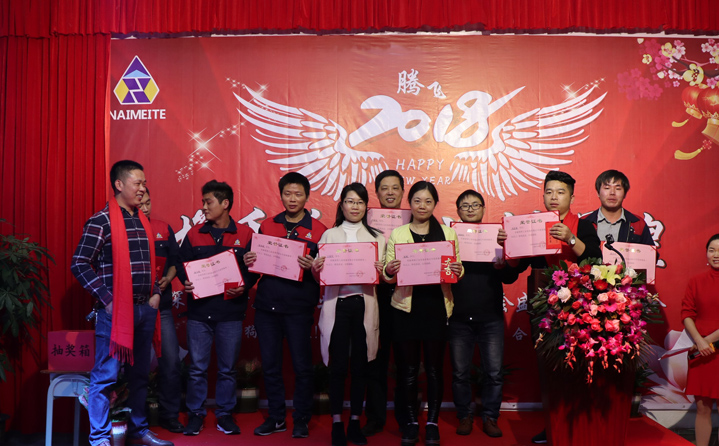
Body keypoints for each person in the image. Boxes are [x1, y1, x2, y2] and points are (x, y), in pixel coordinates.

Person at [71, 160, 173, 446]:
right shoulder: (101, 220)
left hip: (145, 309)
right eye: (137, 183)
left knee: (141, 375)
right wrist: (107, 300)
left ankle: (139, 430)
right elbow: (79, 263)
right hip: (116, 313)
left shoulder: (142, 219)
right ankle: (99, 438)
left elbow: (149, 264)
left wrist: (155, 292)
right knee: (105, 377)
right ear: (119, 184)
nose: (142, 189)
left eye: (144, 183)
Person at [498, 170, 601, 444]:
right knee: (549, 369)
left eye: (561, 192)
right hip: (542, 309)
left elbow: (596, 260)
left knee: (577, 367)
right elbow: (511, 273)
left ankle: (579, 425)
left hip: (579, 309)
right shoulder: (532, 225)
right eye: (549, 192)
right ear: (543, 196)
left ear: (572, 197)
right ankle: (554, 424)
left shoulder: (583, 226)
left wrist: (570, 238)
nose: (554, 197)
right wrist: (508, 249)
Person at [244, 172, 327, 438]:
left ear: (307, 197)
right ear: (280, 195)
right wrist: (249, 261)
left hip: (299, 308)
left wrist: (313, 267)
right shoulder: (267, 226)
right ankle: (277, 417)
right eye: (288, 193)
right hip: (267, 307)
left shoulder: (320, 230)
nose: (292, 199)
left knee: (302, 367)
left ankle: (301, 418)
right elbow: (255, 265)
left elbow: (326, 274)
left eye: (298, 194)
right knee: (270, 366)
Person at [383, 181, 463, 446]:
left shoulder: (447, 234)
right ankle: (410, 423)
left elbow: (456, 269)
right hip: (405, 309)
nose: (422, 206)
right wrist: (389, 270)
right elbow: (387, 273)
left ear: (435, 204)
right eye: (417, 200)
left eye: (428, 201)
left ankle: (432, 424)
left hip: (436, 309)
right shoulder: (398, 234)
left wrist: (458, 270)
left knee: (434, 370)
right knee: (407, 371)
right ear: (410, 203)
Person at [312, 183, 386, 446]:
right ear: (341, 204)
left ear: (366, 206)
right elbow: (319, 277)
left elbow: (386, 277)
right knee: (338, 367)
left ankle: (355, 421)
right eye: (350, 201)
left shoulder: (378, 238)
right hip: (338, 306)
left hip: (364, 306)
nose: (355, 206)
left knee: (360, 366)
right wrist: (316, 268)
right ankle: (336, 423)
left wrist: (383, 270)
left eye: (360, 202)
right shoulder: (329, 235)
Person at [179, 180, 253, 436]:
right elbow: (181, 264)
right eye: (203, 201)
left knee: (228, 369)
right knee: (197, 369)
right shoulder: (194, 234)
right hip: (199, 314)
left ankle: (225, 414)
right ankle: (195, 414)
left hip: (230, 313)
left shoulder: (245, 234)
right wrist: (186, 282)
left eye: (208, 202)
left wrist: (245, 286)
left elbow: (253, 269)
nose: (204, 207)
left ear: (225, 203)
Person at [449, 190, 519, 438]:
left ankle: (490, 417)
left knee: (494, 373)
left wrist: (502, 263)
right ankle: (464, 416)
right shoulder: (450, 239)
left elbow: (510, 277)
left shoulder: (496, 237)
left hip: (491, 317)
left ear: (483, 209)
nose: (470, 209)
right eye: (465, 205)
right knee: (459, 374)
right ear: (458, 211)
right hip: (459, 316)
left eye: (475, 205)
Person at [363, 169, 405, 437]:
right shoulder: (364, 221)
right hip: (374, 298)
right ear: (376, 193)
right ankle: (375, 417)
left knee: (404, 362)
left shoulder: (416, 219)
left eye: (395, 188)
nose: (390, 193)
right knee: (375, 360)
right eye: (384, 188)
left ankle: (406, 419)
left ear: (403, 192)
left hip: (406, 298)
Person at [138, 189, 184, 433]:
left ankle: (169, 414)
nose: (146, 208)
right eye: (141, 204)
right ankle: (134, 417)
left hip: (162, 308)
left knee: (171, 362)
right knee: (134, 365)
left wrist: (168, 278)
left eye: (148, 203)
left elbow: (175, 262)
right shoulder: (123, 229)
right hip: (134, 307)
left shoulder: (163, 228)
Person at [681, 234, 719, 446]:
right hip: (700, 353)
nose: (716, 255)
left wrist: (707, 341)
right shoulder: (695, 281)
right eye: (712, 250)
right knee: (702, 408)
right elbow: (687, 313)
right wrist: (699, 340)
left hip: (708, 347)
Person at [581, 170, 654, 245]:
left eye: (618, 189)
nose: (612, 193)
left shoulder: (637, 224)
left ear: (625, 194)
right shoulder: (583, 223)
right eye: (607, 188)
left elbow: (650, 251)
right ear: (598, 193)